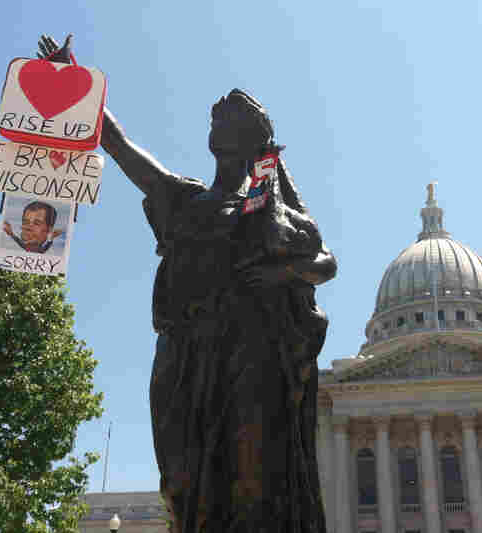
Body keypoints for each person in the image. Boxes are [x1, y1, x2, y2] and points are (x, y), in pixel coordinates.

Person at [38, 36, 337, 533]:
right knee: (180, 482)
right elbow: (118, 145)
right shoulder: (186, 201)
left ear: (246, 140)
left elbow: (324, 263)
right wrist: (73, 81)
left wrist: (279, 272)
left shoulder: (276, 218)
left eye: (224, 121)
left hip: (251, 359)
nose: (213, 125)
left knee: (251, 482)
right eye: (214, 120)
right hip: (186, 358)